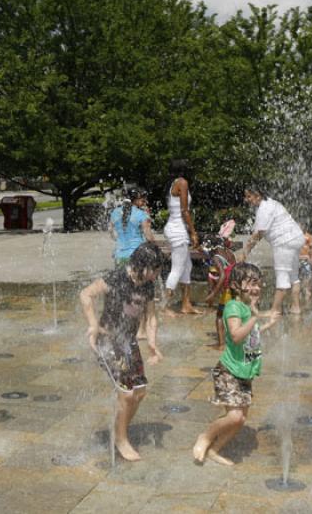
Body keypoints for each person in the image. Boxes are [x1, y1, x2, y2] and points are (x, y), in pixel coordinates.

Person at [80, 242, 164, 462]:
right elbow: (86, 294)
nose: (156, 275)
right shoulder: (117, 278)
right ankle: (120, 439)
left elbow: (151, 316)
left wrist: (152, 344)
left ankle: (121, 428)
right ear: (142, 265)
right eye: (154, 269)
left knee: (141, 390)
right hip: (108, 341)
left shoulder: (147, 285)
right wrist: (93, 324)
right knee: (127, 393)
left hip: (128, 342)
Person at [193, 263, 280, 466]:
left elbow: (251, 334)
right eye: (250, 283)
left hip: (245, 373)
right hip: (229, 371)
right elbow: (236, 335)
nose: (256, 288)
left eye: (257, 283)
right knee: (234, 417)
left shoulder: (248, 308)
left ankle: (214, 450)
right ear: (235, 285)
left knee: (240, 419)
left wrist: (266, 324)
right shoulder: (233, 307)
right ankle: (205, 437)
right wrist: (255, 316)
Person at [240, 187, 305, 316]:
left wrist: (244, 253)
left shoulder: (264, 209)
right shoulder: (271, 202)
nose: (246, 200)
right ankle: (296, 307)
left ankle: (275, 309)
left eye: (249, 197)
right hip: (296, 237)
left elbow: (258, 234)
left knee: (282, 275)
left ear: (257, 195)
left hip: (284, 242)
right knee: (293, 275)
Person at [163, 159, 201, 316]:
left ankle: (186, 304)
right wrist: (193, 232)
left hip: (175, 228)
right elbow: (185, 210)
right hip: (178, 229)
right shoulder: (182, 182)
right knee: (177, 268)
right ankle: (163, 306)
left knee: (187, 266)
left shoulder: (173, 183)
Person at [202, 236, 236, 351]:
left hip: (228, 291)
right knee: (234, 315)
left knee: (219, 316)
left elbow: (222, 276)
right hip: (236, 289)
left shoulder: (216, 258)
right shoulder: (230, 254)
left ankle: (221, 344)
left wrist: (213, 294)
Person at [110, 188, 155, 266]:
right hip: (136, 256)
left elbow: (111, 232)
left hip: (118, 256)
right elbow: (149, 238)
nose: (145, 203)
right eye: (143, 201)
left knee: (121, 277)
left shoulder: (115, 212)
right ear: (135, 200)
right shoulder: (141, 214)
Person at [299, 229, 312, 302]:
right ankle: (299, 290)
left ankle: (307, 290)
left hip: (306, 260)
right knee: (297, 276)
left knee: (307, 275)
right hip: (297, 259)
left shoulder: (308, 236)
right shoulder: (295, 235)